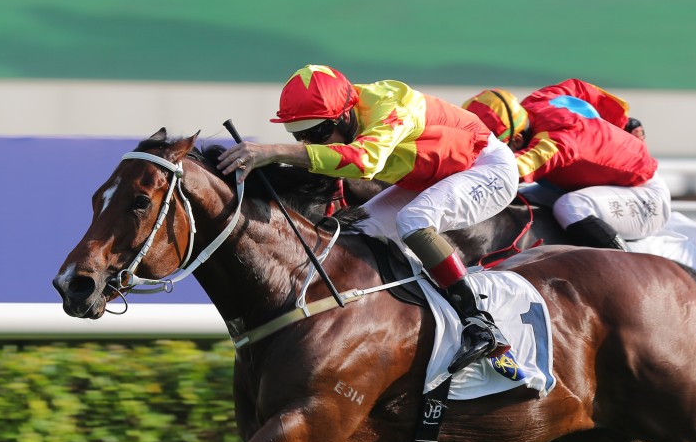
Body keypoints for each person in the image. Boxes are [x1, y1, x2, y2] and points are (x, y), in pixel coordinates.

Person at [218, 65, 519, 372]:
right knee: (360, 232)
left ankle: (481, 324)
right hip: (429, 178)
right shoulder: (342, 112)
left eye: (318, 132)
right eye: (301, 135)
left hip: (486, 168)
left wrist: (274, 150)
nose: (312, 142)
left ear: (346, 114)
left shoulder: (390, 107)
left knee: (413, 221)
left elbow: (363, 161)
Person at [462, 80, 670, 251]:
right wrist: (622, 121)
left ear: (516, 139)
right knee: (519, 200)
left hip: (644, 195)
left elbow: (509, 170)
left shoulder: (556, 142)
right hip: (594, 187)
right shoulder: (538, 100)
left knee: (571, 207)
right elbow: (580, 88)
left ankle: (625, 268)